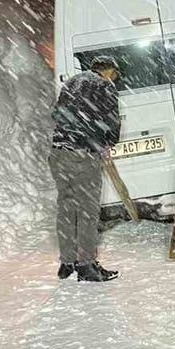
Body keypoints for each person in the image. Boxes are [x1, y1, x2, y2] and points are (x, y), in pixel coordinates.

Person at [50, 56, 123, 282]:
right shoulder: (104, 86)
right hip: (83, 155)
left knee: (66, 208)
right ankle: (86, 265)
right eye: (115, 75)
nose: (114, 79)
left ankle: (67, 263)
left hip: (59, 153)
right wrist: (107, 142)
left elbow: (56, 114)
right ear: (109, 71)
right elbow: (111, 122)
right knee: (87, 212)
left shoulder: (71, 83)